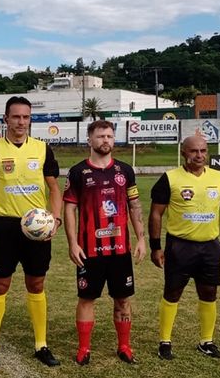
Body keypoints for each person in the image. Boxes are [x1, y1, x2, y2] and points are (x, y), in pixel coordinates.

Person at [0, 96, 63, 371]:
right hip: (5, 227)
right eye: (16, 116)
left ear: (30, 119)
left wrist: (55, 219)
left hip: (36, 230)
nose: (21, 122)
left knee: (36, 284)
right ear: (6, 119)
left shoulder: (42, 149)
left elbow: (54, 189)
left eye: (26, 117)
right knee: (0, 284)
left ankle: (41, 344)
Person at [148, 134, 220, 360]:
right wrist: (155, 246)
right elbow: (156, 214)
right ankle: (165, 342)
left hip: (209, 247)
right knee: (172, 292)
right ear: (183, 152)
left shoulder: (218, 177)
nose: (199, 155)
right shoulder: (170, 178)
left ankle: (206, 341)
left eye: (203, 150)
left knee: (209, 293)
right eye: (194, 151)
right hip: (179, 246)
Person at [62, 120, 146, 366]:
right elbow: (70, 209)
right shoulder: (78, 172)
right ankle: (84, 349)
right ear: (89, 140)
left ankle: (124, 346)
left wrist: (141, 238)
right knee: (86, 299)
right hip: (89, 251)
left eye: (109, 136)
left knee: (123, 299)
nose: (105, 140)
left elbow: (134, 206)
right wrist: (72, 243)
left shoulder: (125, 171)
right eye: (100, 136)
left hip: (120, 250)